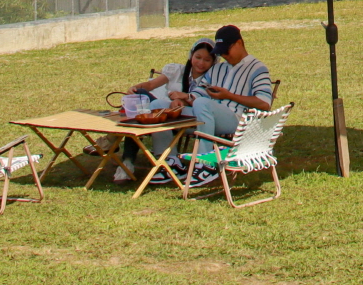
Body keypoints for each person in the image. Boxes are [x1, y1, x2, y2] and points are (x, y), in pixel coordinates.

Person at [109, 39, 214, 185]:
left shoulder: (212, 78)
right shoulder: (177, 70)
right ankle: (127, 160)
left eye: (207, 60)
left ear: (213, 62)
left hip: (189, 116)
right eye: (198, 57)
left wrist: (182, 100)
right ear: (191, 56)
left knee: (144, 110)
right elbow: (151, 84)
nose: (201, 63)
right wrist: (135, 88)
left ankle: (117, 147)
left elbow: (202, 100)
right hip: (164, 112)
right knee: (140, 99)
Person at [184, 24, 273, 184]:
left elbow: (264, 103)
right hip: (207, 116)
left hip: (237, 119)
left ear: (239, 43)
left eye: (226, 51)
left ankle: (206, 163)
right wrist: (182, 100)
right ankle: (168, 162)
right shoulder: (217, 69)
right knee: (163, 107)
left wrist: (229, 96)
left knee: (203, 104)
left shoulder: (257, 68)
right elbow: (199, 93)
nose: (224, 55)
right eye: (221, 52)